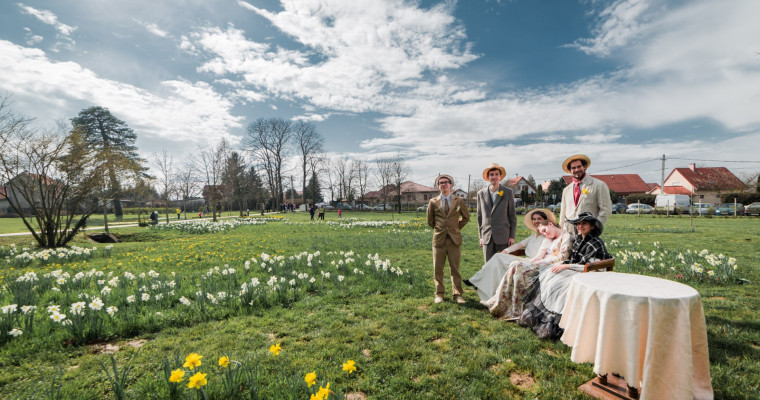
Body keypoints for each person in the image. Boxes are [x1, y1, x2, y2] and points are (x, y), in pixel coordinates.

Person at [519, 212, 611, 339]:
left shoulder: (595, 242)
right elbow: (572, 259)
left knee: (559, 286)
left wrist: (567, 266)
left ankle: (556, 324)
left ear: (592, 226)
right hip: (576, 269)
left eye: (584, 224)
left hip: (591, 274)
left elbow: (591, 266)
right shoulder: (579, 240)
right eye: (578, 224)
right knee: (549, 277)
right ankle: (536, 318)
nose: (580, 226)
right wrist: (564, 265)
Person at [482, 221, 573, 319]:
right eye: (543, 233)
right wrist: (533, 261)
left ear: (550, 224)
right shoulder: (552, 238)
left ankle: (508, 304)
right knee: (515, 265)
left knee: (516, 265)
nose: (546, 234)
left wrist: (540, 262)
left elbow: (562, 257)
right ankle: (500, 300)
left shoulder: (566, 236)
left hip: (552, 266)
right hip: (543, 263)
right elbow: (540, 255)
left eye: (545, 230)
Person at [465, 209, 554, 299]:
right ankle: (489, 291)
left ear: (545, 220)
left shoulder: (546, 238)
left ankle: (477, 281)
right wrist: (505, 251)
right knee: (498, 260)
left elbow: (540, 256)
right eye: (534, 219)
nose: (536, 221)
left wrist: (528, 262)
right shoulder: (532, 237)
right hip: (525, 260)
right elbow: (519, 245)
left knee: (498, 259)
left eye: (539, 219)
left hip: (532, 263)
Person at [427, 174, 470, 304]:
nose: (443, 184)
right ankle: (439, 294)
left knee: (455, 268)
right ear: (438, 186)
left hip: (454, 239)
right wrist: (440, 229)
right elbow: (430, 221)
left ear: (451, 185)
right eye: (441, 183)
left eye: (446, 182)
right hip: (439, 239)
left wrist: (456, 228)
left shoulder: (459, 201)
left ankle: (457, 294)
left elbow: (466, 217)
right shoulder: (433, 202)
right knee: (438, 269)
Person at [559, 154, 612, 234]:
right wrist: (560, 232)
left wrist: (595, 228)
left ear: (585, 167)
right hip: (568, 232)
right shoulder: (566, 190)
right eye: (573, 168)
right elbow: (563, 213)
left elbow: (606, 209)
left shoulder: (599, 185)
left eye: (579, 166)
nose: (576, 170)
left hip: (588, 231)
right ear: (570, 171)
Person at [477, 163, 517, 262]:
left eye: (496, 174)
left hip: (503, 235)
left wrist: (511, 236)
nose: (494, 177)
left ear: (500, 176)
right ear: (488, 177)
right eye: (491, 175)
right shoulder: (481, 193)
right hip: (487, 236)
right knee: (488, 265)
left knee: (502, 264)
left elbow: (512, 216)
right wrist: (481, 236)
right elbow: (480, 217)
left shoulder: (508, 192)